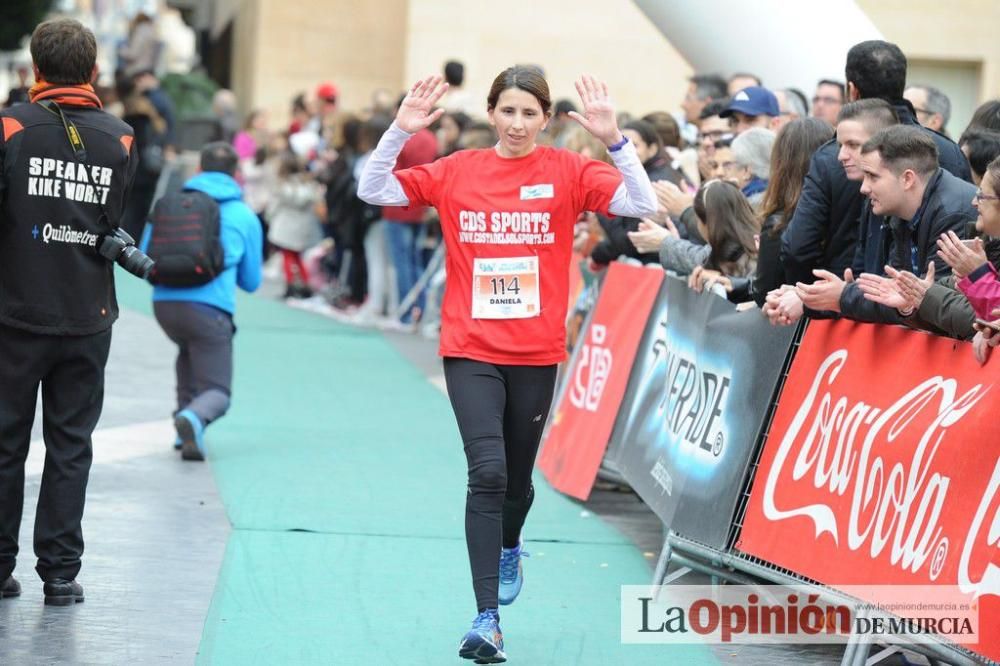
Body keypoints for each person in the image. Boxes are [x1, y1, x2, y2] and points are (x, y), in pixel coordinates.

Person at [358, 68, 655, 663]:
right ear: (492, 113)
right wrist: (399, 130)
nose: (517, 124)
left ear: (544, 118)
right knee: (487, 471)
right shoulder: (458, 169)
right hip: (469, 348)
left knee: (517, 482)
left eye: (528, 113)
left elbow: (642, 206)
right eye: (508, 112)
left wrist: (615, 140)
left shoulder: (568, 171)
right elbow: (372, 190)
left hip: (536, 353)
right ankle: (486, 616)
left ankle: (510, 543)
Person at [0, 18, 140, 605]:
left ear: (34, 69)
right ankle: (59, 573)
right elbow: (116, 219)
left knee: (5, 443)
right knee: (71, 445)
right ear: (93, 73)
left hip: (13, 313)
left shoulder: (10, 128)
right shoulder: (122, 138)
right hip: (89, 314)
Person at [781, 40, 971, 288]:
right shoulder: (950, 151)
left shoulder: (829, 159)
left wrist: (811, 296)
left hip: (919, 309)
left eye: (854, 145)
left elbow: (798, 246)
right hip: (863, 301)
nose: (845, 156)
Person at [142, 142, 262, 461]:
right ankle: (193, 418)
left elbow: (145, 253)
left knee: (188, 350)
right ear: (237, 175)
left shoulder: (171, 203)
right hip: (210, 311)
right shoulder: (243, 215)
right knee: (218, 392)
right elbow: (251, 282)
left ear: (198, 171)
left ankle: (185, 430)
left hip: (164, 304)